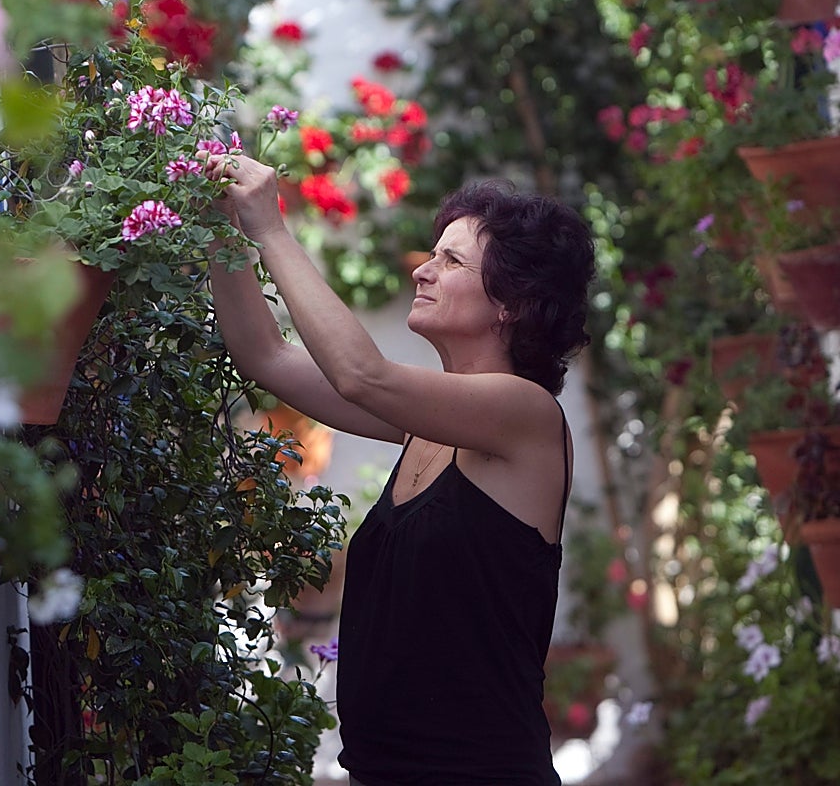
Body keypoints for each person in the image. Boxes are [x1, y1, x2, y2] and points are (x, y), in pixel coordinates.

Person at [201, 151, 596, 785]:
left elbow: (361, 376)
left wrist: (270, 228)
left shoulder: (525, 415)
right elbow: (264, 356)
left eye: (452, 260)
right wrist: (222, 227)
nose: (423, 271)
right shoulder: (422, 424)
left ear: (513, 304)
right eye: (431, 255)